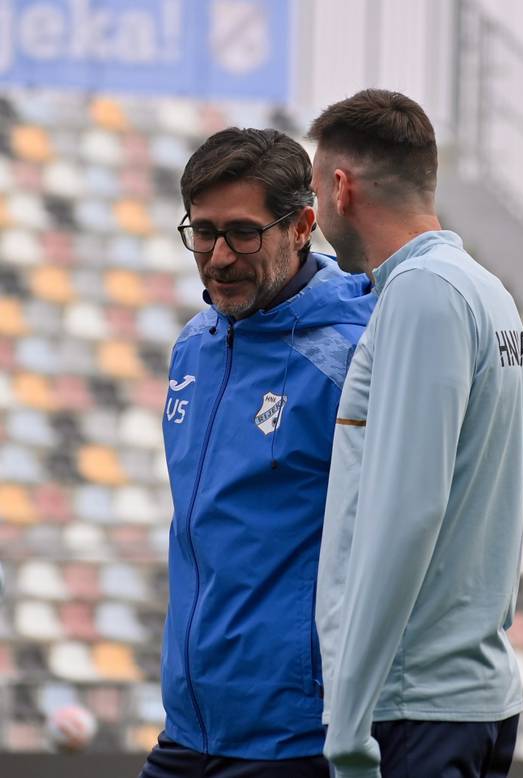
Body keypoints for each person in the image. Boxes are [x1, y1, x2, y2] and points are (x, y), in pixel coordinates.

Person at [309, 90, 523, 778]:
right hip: (467, 698)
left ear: (341, 189)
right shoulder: (486, 292)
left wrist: (349, 719)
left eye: (316, 191)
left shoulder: (421, 294)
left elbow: (407, 513)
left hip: (414, 706)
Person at [139, 127, 375, 778]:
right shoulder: (194, 342)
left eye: (242, 232)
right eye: (203, 231)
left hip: (295, 740)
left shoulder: (357, 355)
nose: (217, 257)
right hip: (190, 727)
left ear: (302, 225)